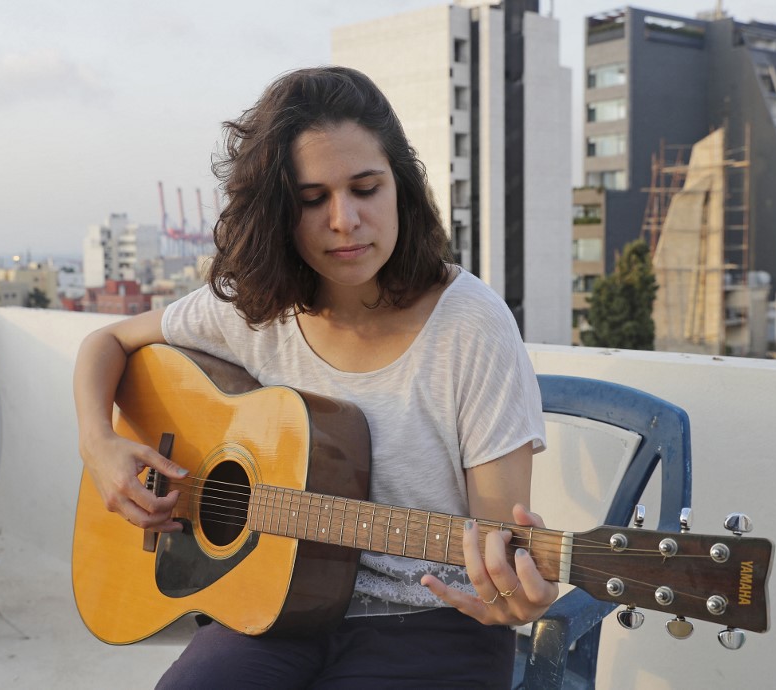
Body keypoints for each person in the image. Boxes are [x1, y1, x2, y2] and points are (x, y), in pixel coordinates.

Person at [73, 65, 556, 689]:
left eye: (366, 188)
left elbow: (498, 542)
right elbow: (107, 341)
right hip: (275, 607)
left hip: (434, 620)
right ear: (277, 213)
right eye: (311, 199)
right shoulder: (257, 308)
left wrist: (512, 592)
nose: (344, 219)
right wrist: (99, 444)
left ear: (401, 188)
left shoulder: (472, 324)